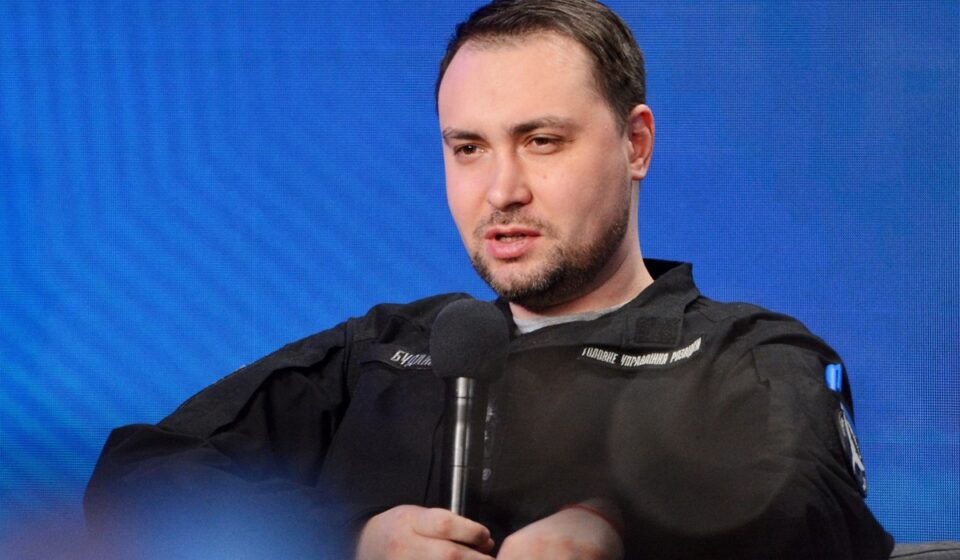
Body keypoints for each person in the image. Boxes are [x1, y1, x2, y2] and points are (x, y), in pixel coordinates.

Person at [85, 1, 894, 558]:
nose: (501, 189)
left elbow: (812, 512)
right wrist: (346, 539)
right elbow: (136, 477)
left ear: (636, 144)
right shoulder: (378, 353)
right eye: (468, 148)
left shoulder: (747, 356)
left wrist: (621, 533)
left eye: (541, 141)